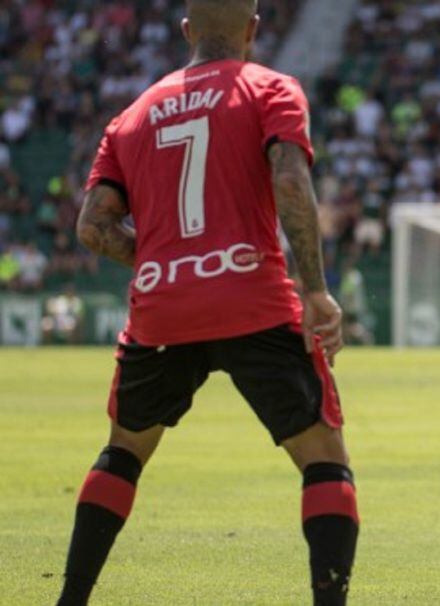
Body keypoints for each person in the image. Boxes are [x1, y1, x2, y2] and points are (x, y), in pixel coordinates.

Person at [58, 2, 357, 604]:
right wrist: (316, 288)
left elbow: (92, 227)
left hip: (162, 309)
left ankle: (71, 600)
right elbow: (291, 180)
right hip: (255, 299)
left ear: (187, 31)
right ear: (252, 28)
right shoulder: (270, 88)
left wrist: (165, 262)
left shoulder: (131, 116)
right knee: (324, 459)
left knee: (123, 453)